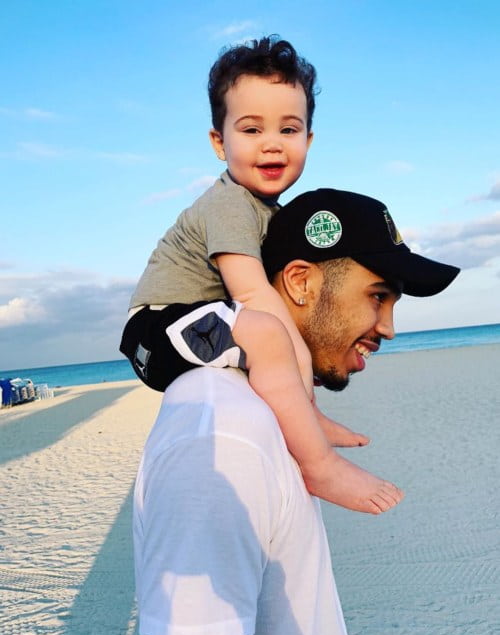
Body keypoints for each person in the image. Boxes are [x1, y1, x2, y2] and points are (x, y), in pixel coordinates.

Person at [133, 187, 460, 635]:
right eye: (378, 296)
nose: (390, 329)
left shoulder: (264, 414)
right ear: (301, 282)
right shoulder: (221, 433)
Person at [121, 36, 403, 515]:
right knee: (269, 333)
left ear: (308, 140)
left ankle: (308, 419)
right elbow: (251, 292)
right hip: (158, 329)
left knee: (267, 336)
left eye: (288, 130)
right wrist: (297, 357)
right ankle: (319, 465)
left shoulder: (268, 211)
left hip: (196, 321)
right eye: (251, 130)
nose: (272, 142)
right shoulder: (230, 203)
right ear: (218, 141)